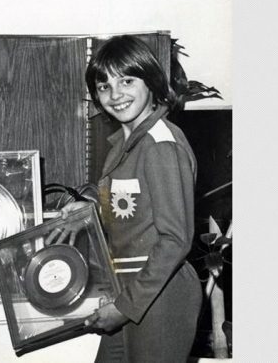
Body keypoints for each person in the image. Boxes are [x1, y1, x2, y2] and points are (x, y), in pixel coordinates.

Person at [49, 35, 201, 362]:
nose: (115, 94)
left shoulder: (161, 145)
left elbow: (175, 240)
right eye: (104, 86)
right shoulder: (124, 141)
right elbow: (129, 202)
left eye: (127, 81)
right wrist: (91, 208)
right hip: (130, 289)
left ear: (151, 82)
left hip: (159, 294)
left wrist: (124, 307)